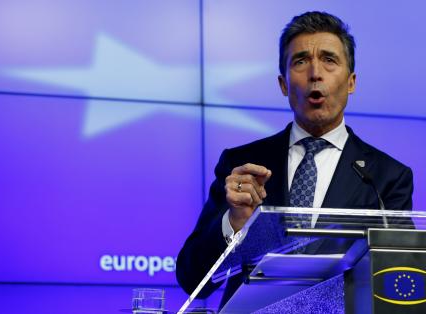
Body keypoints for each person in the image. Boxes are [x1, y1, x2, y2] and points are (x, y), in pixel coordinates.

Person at [176, 11, 413, 307]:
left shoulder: (386, 177)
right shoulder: (243, 165)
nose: (316, 73)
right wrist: (235, 224)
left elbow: (401, 278)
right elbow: (191, 278)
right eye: (300, 61)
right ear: (284, 84)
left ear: (351, 82)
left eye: (329, 59)